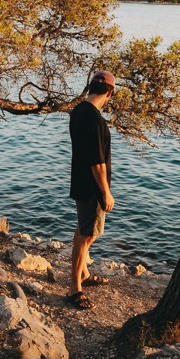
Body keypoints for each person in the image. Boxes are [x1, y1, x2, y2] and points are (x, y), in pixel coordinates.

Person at [67, 70, 115, 309]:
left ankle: (83, 273)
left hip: (79, 181)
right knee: (88, 236)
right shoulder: (94, 118)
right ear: (110, 92)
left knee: (85, 230)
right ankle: (75, 287)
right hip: (92, 186)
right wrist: (105, 191)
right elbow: (97, 163)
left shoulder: (78, 111)